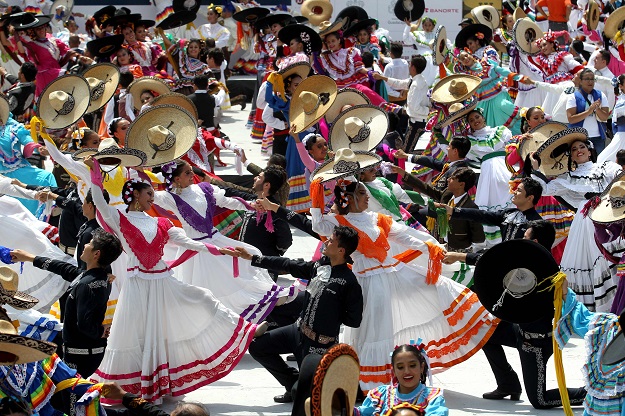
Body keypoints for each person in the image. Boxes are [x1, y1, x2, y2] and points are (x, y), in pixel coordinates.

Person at [84, 157, 261, 401]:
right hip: (136, 285)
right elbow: (100, 204)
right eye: (148, 194)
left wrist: (220, 249)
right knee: (139, 334)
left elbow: (188, 242)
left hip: (163, 282)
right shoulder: (119, 218)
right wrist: (95, 176)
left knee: (202, 297)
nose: (152, 198)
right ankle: (138, 390)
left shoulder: (161, 223)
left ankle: (244, 329)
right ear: (135, 194)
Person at [310, 171, 497, 391]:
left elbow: (404, 235)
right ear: (349, 199)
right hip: (366, 281)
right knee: (371, 328)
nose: (367, 196)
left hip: (390, 273)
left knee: (435, 288)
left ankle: (378, 380)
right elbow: (317, 225)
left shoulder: (375, 218)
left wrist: (430, 246)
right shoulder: (340, 222)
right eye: (362, 193)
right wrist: (317, 189)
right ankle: (367, 382)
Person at [231, 225, 363, 403]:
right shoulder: (320, 265)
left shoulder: (349, 282)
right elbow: (289, 265)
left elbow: (354, 320)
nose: (326, 241)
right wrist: (253, 258)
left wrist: (330, 316)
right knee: (257, 347)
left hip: (318, 347)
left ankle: (298, 386)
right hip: (297, 331)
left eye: (331, 240)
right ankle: (292, 381)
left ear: (341, 250)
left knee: (305, 398)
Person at [153, 159, 297, 322]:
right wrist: (141, 173)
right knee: (205, 290)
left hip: (216, 240)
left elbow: (228, 202)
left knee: (242, 266)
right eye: (187, 172)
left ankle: (248, 313)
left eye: (191, 170)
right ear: (177, 179)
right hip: (195, 249)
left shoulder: (204, 189)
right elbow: (147, 195)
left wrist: (251, 205)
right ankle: (219, 325)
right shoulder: (168, 197)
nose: (193, 174)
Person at [480, 219, 587, 407]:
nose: (521, 239)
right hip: (519, 332)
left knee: (540, 400)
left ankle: (591, 393)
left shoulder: (551, 276)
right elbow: (494, 263)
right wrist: (460, 257)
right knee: (484, 335)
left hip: (536, 343)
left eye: (525, 237)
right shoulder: (526, 264)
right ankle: (508, 384)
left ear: (534, 243)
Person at [10, 229, 123, 377]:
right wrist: (29, 257)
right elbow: (63, 268)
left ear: (96, 254)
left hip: (80, 357)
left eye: (90, 243)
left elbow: (84, 324)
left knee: (73, 396)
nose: (85, 245)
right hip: (82, 353)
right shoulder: (95, 277)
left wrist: (101, 330)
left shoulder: (87, 284)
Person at [530, 137, 621, 312]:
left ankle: (617, 302)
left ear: (590, 150)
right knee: (593, 258)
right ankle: (597, 309)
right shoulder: (568, 178)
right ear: (570, 156)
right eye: (573, 149)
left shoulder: (606, 167)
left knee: (613, 256)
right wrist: (536, 167)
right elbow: (544, 189)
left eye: (582, 147)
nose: (578, 150)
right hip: (587, 220)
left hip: (609, 214)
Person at [442, 177, 543, 266]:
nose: (514, 192)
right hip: (500, 263)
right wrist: (453, 211)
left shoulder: (537, 224)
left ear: (530, 198)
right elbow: (482, 215)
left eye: (519, 190)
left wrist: (459, 256)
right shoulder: (508, 213)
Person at [354, 343, 448, 415]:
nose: (407, 371)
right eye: (400, 367)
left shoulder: (432, 398)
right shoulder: (381, 395)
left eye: (412, 365)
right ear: (393, 371)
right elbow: (361, 413)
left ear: (422, 367)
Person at [237, 165, 292, 281]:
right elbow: (231, 191)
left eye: (259, 177)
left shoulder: (275, 210)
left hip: (264, 268)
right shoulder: (253, 201)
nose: (255, 178)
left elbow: (286, 240)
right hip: (246, 263)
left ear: (266, 185)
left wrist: (272, 253)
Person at [373, 55, 430, 153]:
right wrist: (382, 77)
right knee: (406, 149)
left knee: (405, 152)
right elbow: (400, 83)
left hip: (416, 123)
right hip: (416, 121)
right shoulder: (418, 80)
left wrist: (429, 110)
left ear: (412, 67)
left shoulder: (416, 85)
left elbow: (414, 108)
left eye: (409, 64)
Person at [566, 68, 611, 154]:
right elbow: (571, 119)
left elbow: (605, 117)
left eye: (592, 79)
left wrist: (597, 109)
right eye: (587, 79)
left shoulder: (601, 95)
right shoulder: (573, 96)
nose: (590, 82)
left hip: (598, 137)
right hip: (579, 138)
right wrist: (589, 111)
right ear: (581, 81)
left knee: (599, 163)